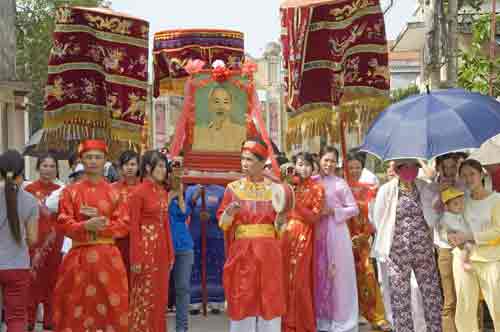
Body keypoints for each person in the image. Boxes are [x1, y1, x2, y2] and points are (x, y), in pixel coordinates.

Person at [53, 140, 129, 332]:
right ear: (81, 160)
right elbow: (63, 221)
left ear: (105, 160)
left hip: (108, 259)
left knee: (112, 310)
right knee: (75, 309)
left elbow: (124, 225)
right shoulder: (70, 192)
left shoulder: (116, 193)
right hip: (78, 258)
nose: (93, 161)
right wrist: (84, 225)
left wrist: (101, 224)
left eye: (97, 157)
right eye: (88, 157)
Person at [217, 138, 285, 332]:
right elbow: (223, 224)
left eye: (249, 160)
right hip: (243, 254)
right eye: (242, 159)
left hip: (268, 254)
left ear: (262, 162)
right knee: (242, 299)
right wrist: (229, 212)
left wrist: (281, 221)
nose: (244, 164)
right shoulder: (233, 189)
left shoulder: (275, 189)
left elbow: (280, 228)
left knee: (269, 299)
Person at [372, 159, 442, 332]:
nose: (410, 171)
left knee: (431, 294)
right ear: (397, 169)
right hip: (397, 252)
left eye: (414, 167)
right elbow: (377, 219)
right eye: (405, 167)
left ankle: (435, 328)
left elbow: (434, 212)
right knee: (400, 298)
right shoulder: (386, 190)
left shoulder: (424, 187)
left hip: (423, 250)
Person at [313, 146, 360, 332]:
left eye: (332, 161)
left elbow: (354, 208)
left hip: (337, 232)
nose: (329, 164)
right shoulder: (312, 181)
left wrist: (334, 211)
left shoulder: (341, 183)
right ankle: (322, 318)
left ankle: (342, 319)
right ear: (319, 160)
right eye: (326, 160)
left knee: (339, 275)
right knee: (320, 272)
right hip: (317, 231)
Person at [449, 159, 500, 332]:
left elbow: (498, 231)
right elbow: (451, 222)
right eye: (464, 175)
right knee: (464, 309)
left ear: (482, 175)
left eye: (472, 174)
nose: (468, 178)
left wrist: (471, 236)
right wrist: (450, 235)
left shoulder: (496, 200)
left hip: (491, 260)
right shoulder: (461, 201)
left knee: (497, 307)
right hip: (464, 260)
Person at [129, 150, 175, 332]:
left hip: (162, 248)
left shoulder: (163, 192)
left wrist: (171, 252)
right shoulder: (138, 193)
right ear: (148, 168)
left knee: (160, 296)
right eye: (161, 166)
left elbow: (166, 224)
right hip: (145, 247)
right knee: (144, 295)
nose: (164, 170)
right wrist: (136, 258)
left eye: (165, 166)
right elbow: (133, 227)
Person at [345, 152, 391, 331]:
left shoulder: (369, 190)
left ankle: (376, 316)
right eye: (351, 168)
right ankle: (350, 315)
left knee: (368, 277)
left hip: (363, 242)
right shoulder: (341, 187)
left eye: (357, 167)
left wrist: (365, 235)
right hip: (344, 242)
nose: (354, 170)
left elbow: (375, 217)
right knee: (346, 280)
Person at [281, 152, 325, 332]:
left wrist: (295, 203)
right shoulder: (290, 185)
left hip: (304, 235)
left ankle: (302, 323)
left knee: (300, 280)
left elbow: (314, 217)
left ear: (313, 167)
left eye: (307, 164)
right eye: (300, 164)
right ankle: (285, 322)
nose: (303, 168)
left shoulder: (318, 188)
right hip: (285, 235)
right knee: (285, 278)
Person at [0, 150, 39, 332]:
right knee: (16, 318)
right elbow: (33, 239)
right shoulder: (30, 200)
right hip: (17, 266)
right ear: (22, 172)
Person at [24, 153, 62, 331]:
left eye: (52, 166)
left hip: (56, 242)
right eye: (44, 165)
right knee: (32, 281)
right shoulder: (29, 189)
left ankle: (50, 319)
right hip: (34, 242)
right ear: (38, 167)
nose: (48, 169)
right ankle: (29, 319)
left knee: (53, 280)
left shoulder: (62, 190)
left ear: (57, 169)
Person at [186, 183, 226, 315]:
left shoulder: (221, 190)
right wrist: (193, 199)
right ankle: (194, 302)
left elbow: (224, 212)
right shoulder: (191, 189)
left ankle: (215, 302)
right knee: (195, 267)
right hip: (196, 233)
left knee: (215, 268)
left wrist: (212, 217)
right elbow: (185, 210)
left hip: (215, 234)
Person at [169, 181, 196, 332]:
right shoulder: (158, 197)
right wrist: (169, 196)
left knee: (183, 289)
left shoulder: (180, 199)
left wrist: (179, 195)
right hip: (163, 248)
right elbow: (157, 212)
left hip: (184, 247)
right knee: (160, 290)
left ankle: (182, 328)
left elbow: (185, 213)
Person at [112, 150, 140, 281]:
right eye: (126, 164)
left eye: (133, 164)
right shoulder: (111, 189)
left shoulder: (143, 188)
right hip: (116, 240)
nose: (129, 168)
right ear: (121, 167)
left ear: (139, 166)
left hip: (139, 239)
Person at [192, 86, 247, 152]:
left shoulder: (242, 132)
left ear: (231, 105)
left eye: (225, 102)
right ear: (210, 104)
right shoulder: (197, 131)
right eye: (216, 102)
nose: (221, 107)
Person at [439, 187, 473, 271]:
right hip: (456, 243)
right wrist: (449, 236)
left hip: (465, 239)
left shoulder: (460, 214)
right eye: (455, 204)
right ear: (446, 207)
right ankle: (464, 262)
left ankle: (465, 261)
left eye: (461, 203)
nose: (460, 206)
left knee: (470, 246)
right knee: (467, 247)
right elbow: (442, 232)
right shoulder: (445, 218)